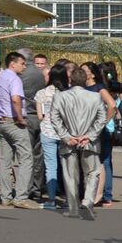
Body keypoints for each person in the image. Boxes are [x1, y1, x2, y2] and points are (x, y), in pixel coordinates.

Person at [51, 66, 107, 220]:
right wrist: (89, 136)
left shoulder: (60, 97)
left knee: (70, 176)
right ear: (85, 80)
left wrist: (67, 137)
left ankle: (74, 208)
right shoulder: (95, 97)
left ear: (70, 80)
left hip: (69, 142)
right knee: (92, 172)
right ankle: (88, 199)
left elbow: (54, 119)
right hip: (89, 142)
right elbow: (101, 119)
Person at [0, 53, 34, 209]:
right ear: (12, 64)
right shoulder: (14, 79)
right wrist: (20, 118)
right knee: (26, 158)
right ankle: (21, 197)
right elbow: (15, 98)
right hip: (13, 121)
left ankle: (5, 196)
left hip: (1, 121)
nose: (24, 66)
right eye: (22, 63)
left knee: (5, 160)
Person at [35, 64, 69, 210]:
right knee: (67, 167)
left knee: (51, 167)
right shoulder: (68, 94)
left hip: (48, 132)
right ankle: (69, 199)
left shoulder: (42, 93)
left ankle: (51, 199)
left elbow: (39, 116)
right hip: (65, 134)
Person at [84, 62, 117, 209]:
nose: (81, 72)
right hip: (86, 129)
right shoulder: (82, 88)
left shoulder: (98, 88)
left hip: (98, 131)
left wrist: (103, 122)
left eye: (84, 70)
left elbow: (112, 105)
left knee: (102, 162)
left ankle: (100, 195)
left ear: (92, 73)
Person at [18, 50, 47, 200]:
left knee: (26, 155)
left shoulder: (21, 74)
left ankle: (26, 187)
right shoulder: (40, 73)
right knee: (38, 155)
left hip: (26, 116)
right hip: (39, 116)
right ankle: (37, 188)